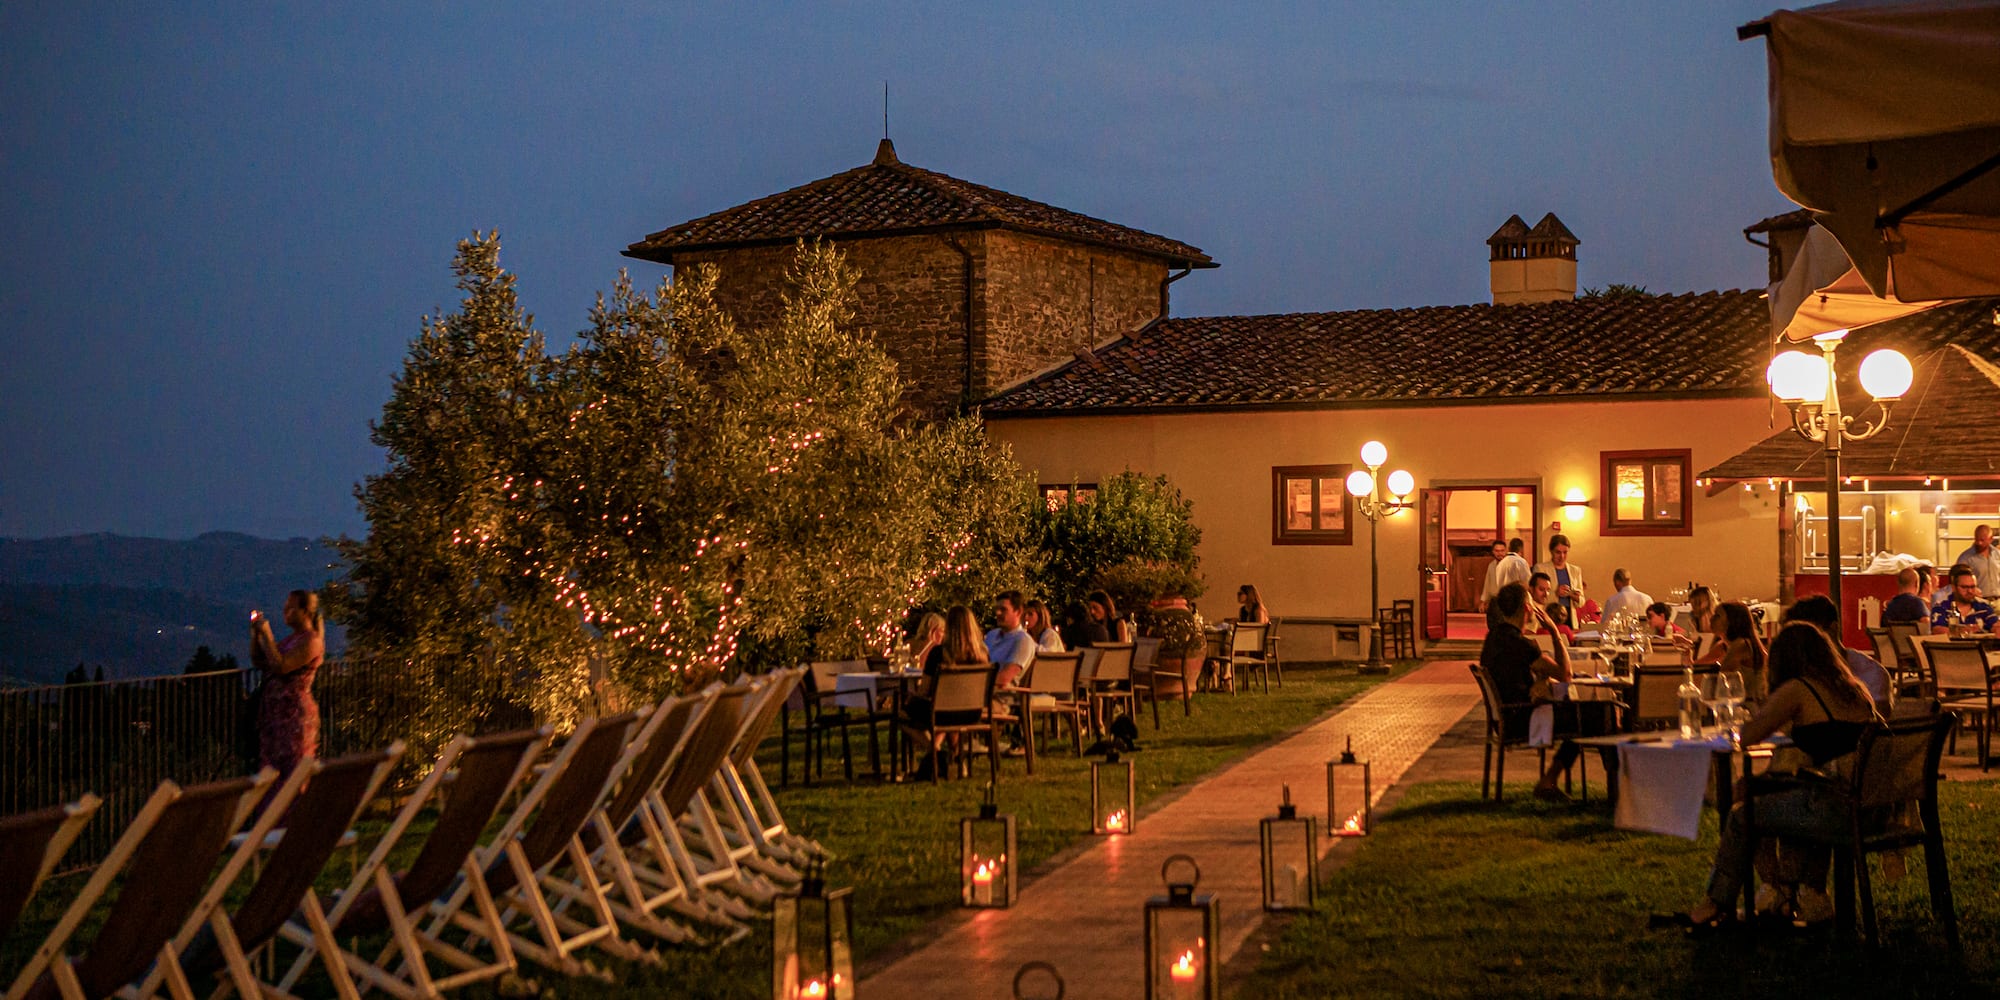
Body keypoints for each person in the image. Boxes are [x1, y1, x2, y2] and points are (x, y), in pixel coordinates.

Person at [1670, 623, 1878, 931]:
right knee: (1762, 790)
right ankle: (1791, 894)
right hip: (1872, 806)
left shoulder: (1799, 689)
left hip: (1835, 808)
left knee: (1743, 813)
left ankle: (1718, 902)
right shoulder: (1853, 689)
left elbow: (1749, 736)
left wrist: (1734, 726)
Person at [1479, 582, 1611, 802]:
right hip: (1524, 718)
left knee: (1592, 714)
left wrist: (1540, 679)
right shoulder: (1522, 645)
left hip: (1505, 716)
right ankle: (1557, 781)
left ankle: (1554, 781)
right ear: (1527, 609)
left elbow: (1516, 674)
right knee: (1598, 715)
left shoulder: (1493, 639)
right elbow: (1565, 674)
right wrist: (1554, 631)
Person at [902, 606, 989, 778]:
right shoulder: (983, 655)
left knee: (902, 713)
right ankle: (958, 762)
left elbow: (924, 690)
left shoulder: (939, 653)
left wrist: (912, 698)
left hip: (942, 712)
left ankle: (934, 751)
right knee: (950, 714)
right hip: (973, 712)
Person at [249, 588, 326, 780]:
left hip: (293, 719)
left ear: (305, 612)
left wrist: (267, 634)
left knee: (291, 772)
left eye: (290, 608)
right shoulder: (292, 640)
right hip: (275, 718)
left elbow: (281, 666)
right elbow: (260, 661)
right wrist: (256, 635)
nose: (285, 612)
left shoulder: (311, 641)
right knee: (271, 773)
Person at [1783, 595, 1891, 705]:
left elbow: (1875, 715)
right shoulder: (1797, 677)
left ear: (1832, 630)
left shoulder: (1871, 675)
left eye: (1809, 638)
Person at [1702, 602, 1770, 704]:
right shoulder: (1726, 645)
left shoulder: (1742, 645)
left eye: (1717, 615)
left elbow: (1721, 682)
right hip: (1739, 706)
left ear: (1732, 621)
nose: (1712, 618)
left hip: (1751, 709)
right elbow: (1697, 667)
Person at [984, 591, 1038, 689]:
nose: (997, 613)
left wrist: (973, 680)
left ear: (1018, 611)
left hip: (1002, 698)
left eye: (1003, 609)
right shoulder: (991, 635)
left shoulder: (1023, 641)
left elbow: (1004, 678)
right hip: (980, 692)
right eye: (997, 609)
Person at [1532, 534, 1586, 624]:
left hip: (1569, 617)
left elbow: (1582, 601)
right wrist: (1556, 593)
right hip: (1549, 615)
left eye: (1565, 552)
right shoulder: (1541, 568)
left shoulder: (1575, 571)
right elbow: (1535, 596)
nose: (1562, 556)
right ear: (1551, 551)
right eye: (1558, 552)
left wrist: (1573, 596)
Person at [1931, 565, 1999, 634]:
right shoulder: (1941, 607)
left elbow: (1994, 625)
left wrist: (1996, 628)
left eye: (1972, 587)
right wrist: (1963, 630)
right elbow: (1937, 630)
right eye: (1964, 587)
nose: (1969, 591)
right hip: (1954, 644)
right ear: (1953, 587)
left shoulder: (1984, 607)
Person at [1479, 539, 1531, 621]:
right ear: (1493, 551)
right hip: (1496, 601)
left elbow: (1526, 582)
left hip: (1511, 601)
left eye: (1502, 550)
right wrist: (1483, 601)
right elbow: (1487, 584)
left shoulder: (1513, 563)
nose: (1499, 553)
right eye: (1497, 551)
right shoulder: (1491, 565)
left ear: (1506, 550)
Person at [1954, 524, 2000, 599]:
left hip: (1998, 600)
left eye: (1982, 540)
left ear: (1991, 539)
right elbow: (1958, 579)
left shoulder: (1998, 554)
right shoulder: (1965, 558)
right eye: (1977, 539)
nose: (1979, 543)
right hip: (1978, 600)